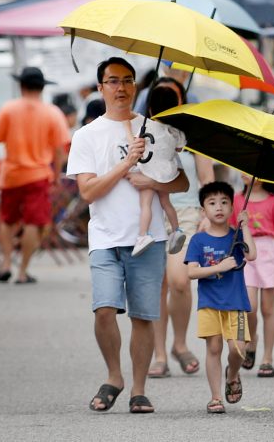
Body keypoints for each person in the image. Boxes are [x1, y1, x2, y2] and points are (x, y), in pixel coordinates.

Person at [68, 57, 190, 414]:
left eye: (127, 80)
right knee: (104, 310)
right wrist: (126, 163)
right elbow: (88, 192)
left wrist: (150, 180)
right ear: (101, 87)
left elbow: (180, 181)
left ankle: (139, 389)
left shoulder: (155, 128)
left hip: (147, 239)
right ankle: (113, 376)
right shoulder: (87, 136)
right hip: (105, 238)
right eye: (112, 81)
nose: (120, 88)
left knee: (143, 316)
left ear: (135, 86)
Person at [143, 77, 215, 379]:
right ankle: (159, 353)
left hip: (186, 212)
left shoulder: (195, 134)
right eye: (161, 98)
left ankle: (180, 344)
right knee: (156, 284)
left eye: (173, 98)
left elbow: (206, 176)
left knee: (179, 280)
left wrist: (209, 213)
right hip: (150, 210)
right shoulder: (142, 131)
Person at [0, 67, 70, 284]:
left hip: (10, 174)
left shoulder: (8, 109)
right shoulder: (52, 113)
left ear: (21, 85)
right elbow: (59, 150)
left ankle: (6, 262)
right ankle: (23, 271)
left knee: (7, 219)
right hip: (38, 175)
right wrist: (55, 177)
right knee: (34, 223)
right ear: (43, 87)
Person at [185, 181, 257, 414]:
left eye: (225, 202)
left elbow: (252, 255)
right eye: (212, 202)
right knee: (213, 348)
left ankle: (232, 374)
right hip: (209, 303)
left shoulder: (236, 237)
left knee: (238, 350)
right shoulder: (198, 240)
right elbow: (191, 272)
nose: (219, 207)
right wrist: (220, 267)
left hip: (235, 303)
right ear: (203, 210)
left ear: (232, 208)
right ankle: (216, 397)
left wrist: (245, 227)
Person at [232, 176, 274, 378]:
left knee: (268, 309)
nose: (244, 174)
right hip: (246, 252)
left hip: (269, 255)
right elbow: (230, 229)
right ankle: (252, 339)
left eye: (249, 171)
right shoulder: (237, 200)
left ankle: (268, 358)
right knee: (250, 307)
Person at [129, 81, 187, 258]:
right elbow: (179, 148)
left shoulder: (145, 125)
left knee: (145, 204)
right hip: (167, 172)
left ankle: (143, 235)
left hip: (148, 169)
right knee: (166, 202)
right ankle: (176, 230)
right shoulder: (175, 130)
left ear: (151, 108)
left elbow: (136, 143)